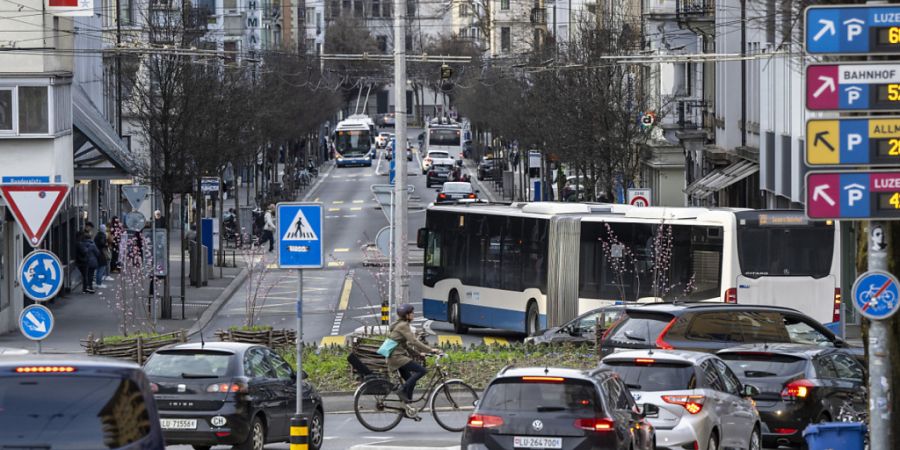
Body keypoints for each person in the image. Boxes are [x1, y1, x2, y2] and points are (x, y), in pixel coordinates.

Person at [386, 304, 440, 403]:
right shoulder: (403, 325)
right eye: (412, 313)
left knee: (411, 380)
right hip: (397, 357)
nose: (413, 314)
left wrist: (418, 354)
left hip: (394, 357)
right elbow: (413, 341)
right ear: (407, 315)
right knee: (422, 371)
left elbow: (405, 345)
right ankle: (401, 390)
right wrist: (430, 350)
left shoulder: (399, 324)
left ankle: (407, 404)